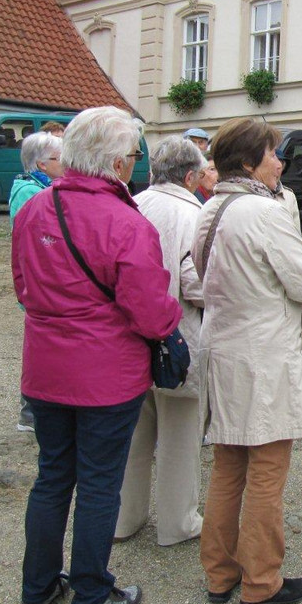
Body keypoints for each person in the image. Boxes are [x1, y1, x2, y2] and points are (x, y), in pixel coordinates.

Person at [12, 106, 181, 604]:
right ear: (115, 163)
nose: (135, 163)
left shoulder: (34, 210)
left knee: (52, 477)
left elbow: (23, 287)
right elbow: (151, 313)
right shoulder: (126, 222)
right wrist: (173, 316)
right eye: (133, 155)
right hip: (106, 376)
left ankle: (38, 588)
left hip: (46, 369)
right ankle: (91, 596)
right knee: (99, 483)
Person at [192, 118, 302, 604]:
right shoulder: (262, 212)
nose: (280, 162)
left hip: (225, 350)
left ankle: (220, 573)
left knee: (228, 468)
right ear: (249, 161)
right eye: (273, 154)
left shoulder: (211, 209)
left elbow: (202, 277)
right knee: (267, 472)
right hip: (263, 356)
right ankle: (261, 582)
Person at [115, 138, 207, 547]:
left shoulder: (132, 204)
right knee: (180, 439)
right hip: (178, 337)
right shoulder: (193, 213)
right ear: (189, 176)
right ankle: (177, 523)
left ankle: (124, 518)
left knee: (134, 436)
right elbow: (195, 282)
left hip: (130, 338)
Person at [9, 131, 64, 433]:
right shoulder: (29, 193)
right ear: (42, 164)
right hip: (38, 283)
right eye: (59, 159)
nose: (65, 164)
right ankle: (29, 413)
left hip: (39, 282)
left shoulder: (41, 187)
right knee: (40, 350)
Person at [9, 131, 63, 228]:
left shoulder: (45, 184)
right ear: (42, 164)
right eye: (61, 158)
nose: (67, 163)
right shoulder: (29, 191)